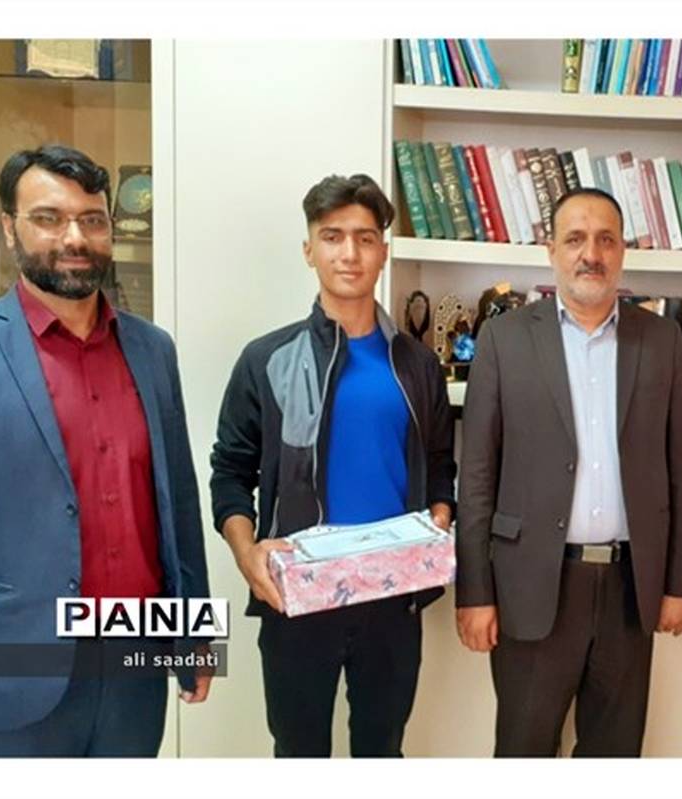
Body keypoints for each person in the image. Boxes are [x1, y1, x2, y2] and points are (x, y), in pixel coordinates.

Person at [0, 145, 211, 757]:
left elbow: (178, 505)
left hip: (136, 662)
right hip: (10, 673)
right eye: (48, 218)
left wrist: (198, 636)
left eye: (92, 220)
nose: (74, 237)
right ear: (9, 227)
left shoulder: (153, 350)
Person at [209, 173, 455, 758]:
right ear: (309, 250)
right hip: (298, 596)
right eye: (332, 236)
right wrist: (247, 554)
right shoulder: (266, 359)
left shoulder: (418, 365)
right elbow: (230, 471)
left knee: (381, 751)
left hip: (392, 595)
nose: (349, 253)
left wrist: (439, 519)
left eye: (365, 239)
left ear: (383, 252)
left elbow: (441, 464)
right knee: (298, 755)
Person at [455, 187, 682, 757]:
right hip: (530, 585)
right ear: (551, 250)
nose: (591, 253)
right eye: (575, 239)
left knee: (614, 754)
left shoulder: (661, 340)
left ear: (622, 252)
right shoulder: (504, 339)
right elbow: (478, 477)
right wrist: (475, 592)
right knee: (522, 753)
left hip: (630, 590)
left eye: (605, 240)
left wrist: (678, 584)